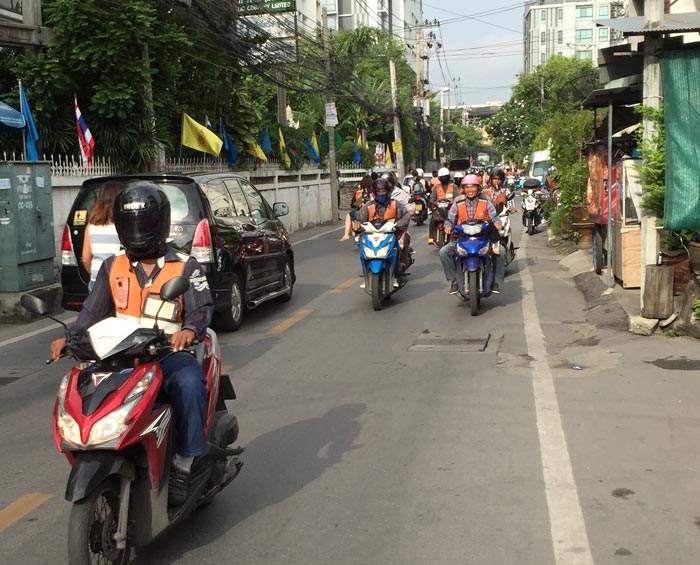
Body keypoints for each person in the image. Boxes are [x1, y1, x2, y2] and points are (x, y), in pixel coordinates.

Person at [50, 181, 214, 507]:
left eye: (145, 224)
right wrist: (71, 338)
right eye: (132, 225)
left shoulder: (185, 265)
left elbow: (202, 309)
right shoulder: (113, 266)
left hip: (167, 353)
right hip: (121, 356)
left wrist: (188, 330)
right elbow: (91, 312)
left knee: (188, 382)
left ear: (160, 223)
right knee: (85, 390)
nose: (139, 232)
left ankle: (185, 462)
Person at [438, 174, 503, 295]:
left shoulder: (486, 202)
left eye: (473, 187)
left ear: (478, 188)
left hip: (483, 238)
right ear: (463, 189)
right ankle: (454, 280)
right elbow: (450, 219)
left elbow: (494, 217)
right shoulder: (458, 203)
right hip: (462, 238)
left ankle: (496, 281)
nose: (470, 190)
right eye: (467, 187)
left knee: (501, 252)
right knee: (444, 252)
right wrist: (448, 226)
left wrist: (497, 223)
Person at [358, 177, 412, 279]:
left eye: (383, 191)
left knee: (404, 239)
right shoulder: (368, 207)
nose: (381, 194)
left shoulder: (396, 204)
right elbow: (359, 218)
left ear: (388, 192)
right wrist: (357, 224)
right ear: (374, 193)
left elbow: (405, 216)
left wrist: (398, 226)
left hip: (392, 234)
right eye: (379, 192)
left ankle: (401, 263)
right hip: (373, 236)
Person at [81, 180, 124, 292]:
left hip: (96, 280)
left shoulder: (91, 225)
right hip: (119, 280)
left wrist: (95, 274)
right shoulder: (123, 225)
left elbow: (85, 259)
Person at [482, 168, 516, 292]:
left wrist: (512, 208)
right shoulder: (484, 192)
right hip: (487, 220)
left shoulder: (506, 191)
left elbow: (511, 203)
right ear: (490, 180)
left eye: (499, 179)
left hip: (501, 217)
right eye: (494, 179)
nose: (496, 181)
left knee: (500, 251)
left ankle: (497, 281)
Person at [428, 167, 457, 245]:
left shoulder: (453, 186)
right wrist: (432, 203)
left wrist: (454, 203)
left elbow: (457, 197)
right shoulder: (436, 187)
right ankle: (431, 237)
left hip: (450, 210)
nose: (444, 178)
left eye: (445, 177)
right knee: (432, 219)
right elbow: (432, 198)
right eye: (442, 177)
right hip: (439, 210)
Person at [340, 174, 373, 241]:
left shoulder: (358, 193)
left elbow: (352, 205)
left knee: (349, 215)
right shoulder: (374, 192)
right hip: (373, 212)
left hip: (361, 213)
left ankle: (346, 235)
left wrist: (359, 203)